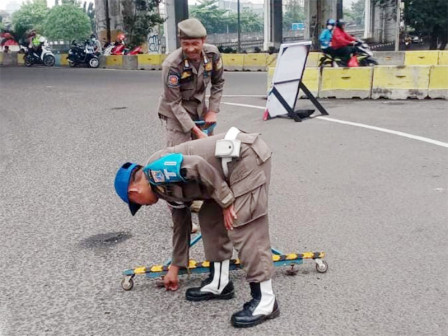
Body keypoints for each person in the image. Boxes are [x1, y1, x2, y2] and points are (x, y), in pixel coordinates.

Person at [114, 129, 279, 328]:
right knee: (209, 219)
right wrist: (175, 266)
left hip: (245, 159)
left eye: (138, 203)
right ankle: (220, 284)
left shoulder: (156, 171)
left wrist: (226, 202)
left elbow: (199, 166)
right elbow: (180, 224)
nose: (145, 206)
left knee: (242, 224)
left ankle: (266, 301)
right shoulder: (160, 187)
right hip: (222, 174)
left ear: (134, 191)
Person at [158, 18, 224, 216]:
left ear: (203, 40)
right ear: (180, 42)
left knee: (204, 155)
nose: (191, 48)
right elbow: (174, 103)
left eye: (195, 43)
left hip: (199, 110)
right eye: (186, 44)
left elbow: (218, 83)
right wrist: (196, 131)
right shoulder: (172, 65)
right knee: (178, 159)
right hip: (175, 112)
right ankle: (177, 208)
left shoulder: (213, 54)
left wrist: (213, 110)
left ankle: (196, 197)